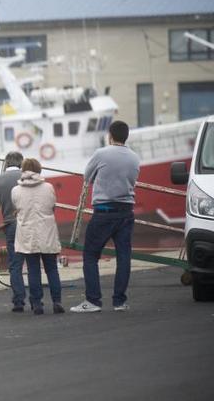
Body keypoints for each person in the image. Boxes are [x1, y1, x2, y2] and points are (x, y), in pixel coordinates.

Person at [71, 120, 140, 313]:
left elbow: (87, 177)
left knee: (91, 255)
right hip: (126, 211)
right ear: (126, 136)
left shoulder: (101, 154)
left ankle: (93, 301)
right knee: (124, 256)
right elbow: (133, 180)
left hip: (104, 211)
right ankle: (119, 302)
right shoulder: (135, 158)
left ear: (110, 135)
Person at [11, 158, 64, 315]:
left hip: (28, 234)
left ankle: (37, 304)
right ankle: (57, 301)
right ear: (39, 169)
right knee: (52, 269)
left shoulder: (16, 190)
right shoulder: (48, 187)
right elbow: (52, 206)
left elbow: (17, 207)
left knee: (33, 270)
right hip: (47, 232)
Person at [0, 151, 27, 312]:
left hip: (11, 226)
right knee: (33, 263)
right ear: (21, 163)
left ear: (6, 163)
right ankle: (37, 302)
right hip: (31, 224)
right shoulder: (28, 176)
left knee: (15, 265)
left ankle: (19, 302)